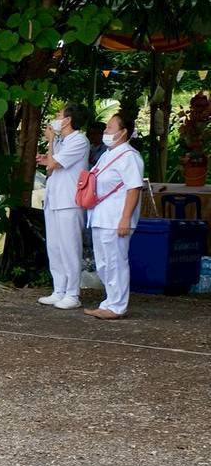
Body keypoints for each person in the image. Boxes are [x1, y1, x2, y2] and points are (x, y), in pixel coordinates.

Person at [85, 115, 145, 320]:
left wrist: (125, 218)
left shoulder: (129, 156)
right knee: (103, 262)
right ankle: (109, 301)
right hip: (100, 215)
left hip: (116, 217)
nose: (106, 132)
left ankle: (117, 305)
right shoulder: (107, 154)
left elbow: (134, 188)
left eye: (110, 128)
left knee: (115, 261)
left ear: (123, 132)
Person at [36, 103, 89, 310]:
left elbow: (53, 164)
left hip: (69, 202)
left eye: (59, 114)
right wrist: (48, 155)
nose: (56, 118)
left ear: (67, 120)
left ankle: (72, 293)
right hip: (54, 199)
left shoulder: (79, 140)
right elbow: (50, 168)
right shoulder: (62, 140)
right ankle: (58, 289)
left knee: (69, 247)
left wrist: (49, 143)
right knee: (55, 247)